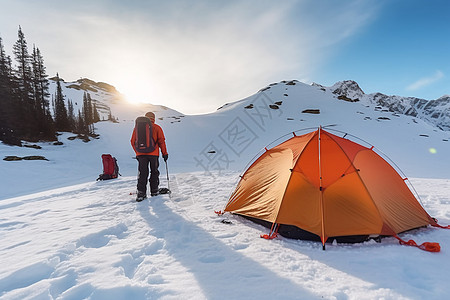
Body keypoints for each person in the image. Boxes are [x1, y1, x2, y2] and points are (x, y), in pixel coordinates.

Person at [130, 112, 168, 201]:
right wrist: (164, 153)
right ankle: (154, 190)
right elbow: (161, 141)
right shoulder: (157, 127)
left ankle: (141, 193)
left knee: (142, 173)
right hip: (153, 154)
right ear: (154, 118)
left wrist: (138, 152)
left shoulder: (137, 128)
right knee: (154, 172)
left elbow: (132, 141)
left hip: (141, 155)